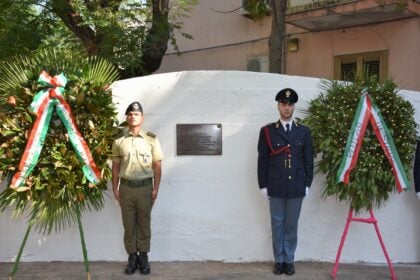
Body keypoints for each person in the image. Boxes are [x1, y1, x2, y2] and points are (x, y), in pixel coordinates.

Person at [257, 88, 314, 276]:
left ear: (294, 106)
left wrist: (307, 183)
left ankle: (289, 259)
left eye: (290, 104)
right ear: (278, 106)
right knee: (277, 224)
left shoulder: (303, 132)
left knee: (291, 225)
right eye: (283, 104)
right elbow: (263, 159)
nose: (287, 108)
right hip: (276, 186)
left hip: (297, 186)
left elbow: (308, 159)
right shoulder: (267, 132)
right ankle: (279, 260)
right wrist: (263, 185)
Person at [112, 101, 164, 275]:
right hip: (126, 188)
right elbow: (115, 167)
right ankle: (132, 258)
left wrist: (155, 188)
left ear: (142, 117)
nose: (132, 117)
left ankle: (143, 257)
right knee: (128, 224)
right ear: (127, 117)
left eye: (136, 114)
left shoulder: (151, 139)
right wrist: (115, 188)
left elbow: (157, 166)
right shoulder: (119, 140)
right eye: (130, 114)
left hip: (144, 188)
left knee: (144, 223)